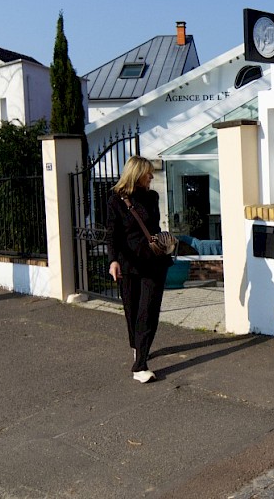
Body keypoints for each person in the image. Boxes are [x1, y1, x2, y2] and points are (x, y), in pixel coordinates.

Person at [107, 156, 172, 383]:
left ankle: (140, 366)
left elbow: (153, 227)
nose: (152, 177)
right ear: (136, 174)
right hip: (128, 264)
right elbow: (113, 234)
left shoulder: (152, 197)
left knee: (148, 312)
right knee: (132, 310)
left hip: (153, 262)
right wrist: (113, 260)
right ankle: (138, 346)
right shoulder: (116, 200)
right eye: (148, 173)